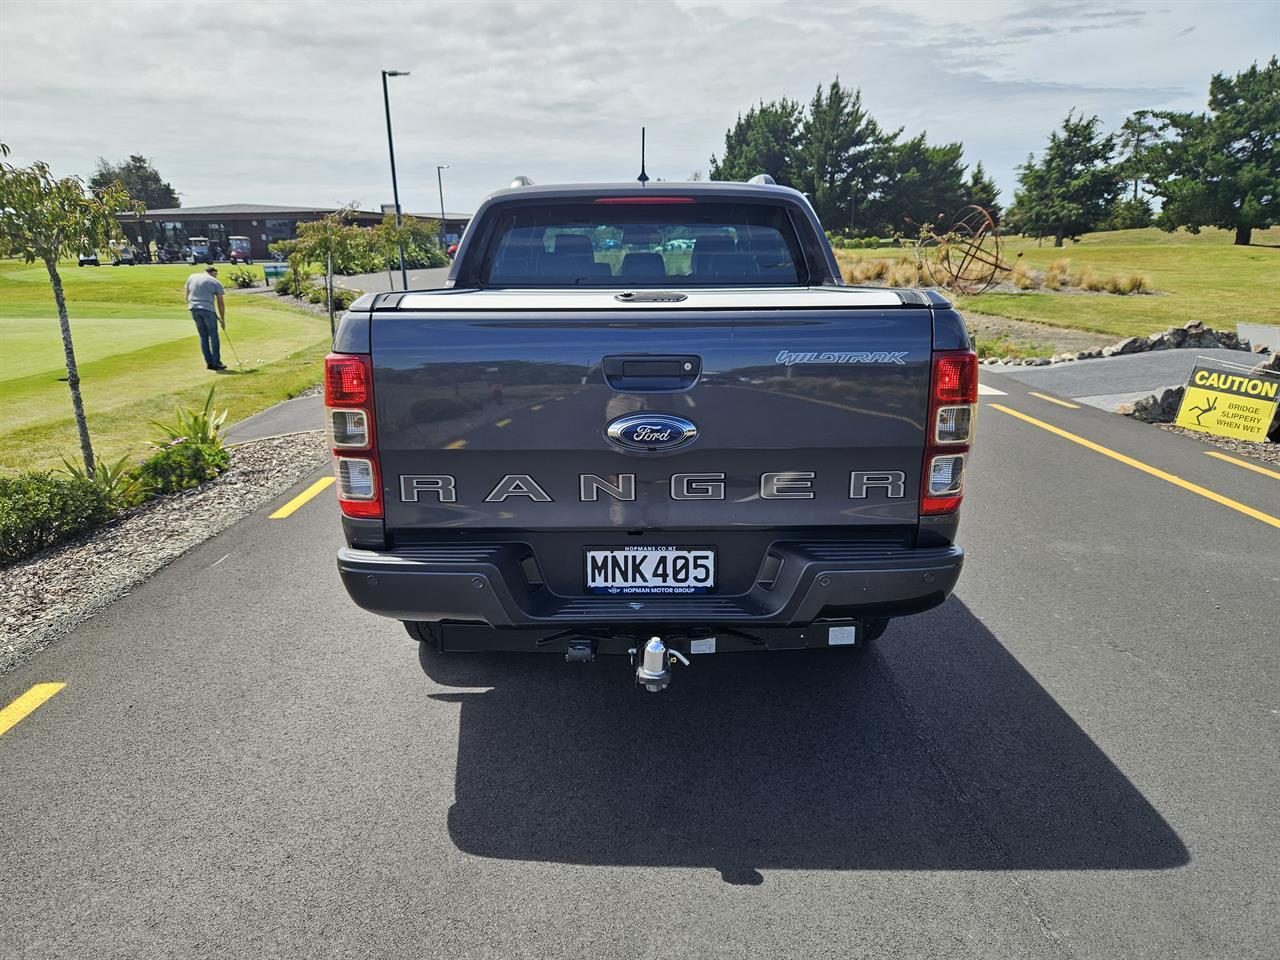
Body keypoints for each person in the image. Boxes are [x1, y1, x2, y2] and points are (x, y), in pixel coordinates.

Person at [184, 265, 227, 371]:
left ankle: (209, 363)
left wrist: (193, 305)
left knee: (203, 336)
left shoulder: (192, 277)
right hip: (208, 310)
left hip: (194, 309)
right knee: (213, 336)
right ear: (213, 273)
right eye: (215, 274)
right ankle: (216, 362)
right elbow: (220, 303)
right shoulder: (215, 282)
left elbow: (186, 295)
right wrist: (222, 319)